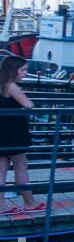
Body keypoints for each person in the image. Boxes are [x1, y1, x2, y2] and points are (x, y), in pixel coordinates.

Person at [0, 56, 43, 217]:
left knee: (0, 171)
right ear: (13, 70)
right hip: (14, 132)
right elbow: (28, 104)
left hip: (1, 131)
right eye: (22, 70)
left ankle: (1, 205)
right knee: (21, 167)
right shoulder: (11, 85)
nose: (25, 73)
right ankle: (30, 202)